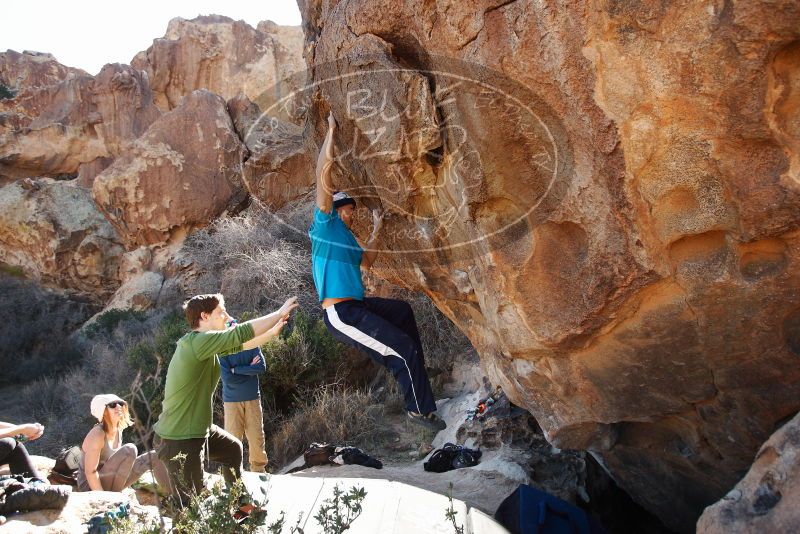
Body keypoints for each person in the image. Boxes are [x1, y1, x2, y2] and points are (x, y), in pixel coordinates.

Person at [309, 111, 446, 431]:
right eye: (347, 210)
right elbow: (322, 177)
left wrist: (377, 227)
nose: (351, 215)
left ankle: (417, 378)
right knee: (402, 350)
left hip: (358, 306)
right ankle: (418, 411)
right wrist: (330, 132)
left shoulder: (348, 238)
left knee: (402, 312)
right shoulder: (324, 225)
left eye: (353, 212)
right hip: (340, 313)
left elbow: (366, 263)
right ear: (335, 209)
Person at [154, 293, 297, 506]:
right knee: (189, 508)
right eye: (221, 312)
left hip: (197, 429)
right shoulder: (198, 343)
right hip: (179, 437)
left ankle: (239, 507)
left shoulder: (206, 345)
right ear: (204, 316)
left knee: (232, 449)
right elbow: (239, 334)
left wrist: (273, 331)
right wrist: (278, 314)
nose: (226, 316)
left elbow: (244, 344)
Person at [76, 394, 169, 492]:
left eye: (121, 403)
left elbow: (120, 467)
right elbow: (91, 472)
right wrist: (103, 497)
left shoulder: (118, 430)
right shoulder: (97, 434)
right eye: (112, 405)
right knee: (130, 449)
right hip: (91, 487)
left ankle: (177, 500)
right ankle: (116, 495)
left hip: (111, 481)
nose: (119, 407)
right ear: (103, 411)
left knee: (156, 455)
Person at [219, 339, 268, 473]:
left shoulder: (252, 345)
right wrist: (248, 370)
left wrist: (236, 370)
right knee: (232, 438)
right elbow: (227, 378)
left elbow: (261, 367)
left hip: (252, 398)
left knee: (256, 435)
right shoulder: (223, 351)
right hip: (231, 401)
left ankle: (259, 471)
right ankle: (232, 474)